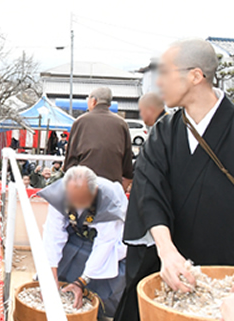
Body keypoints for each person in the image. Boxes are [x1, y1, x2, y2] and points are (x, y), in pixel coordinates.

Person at [115, 39, 234, 321]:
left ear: (195, 76)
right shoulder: (163, 132)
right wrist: (166, 251)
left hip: (224, 275)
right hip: (167, 267)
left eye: (166, 73)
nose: (159, 83)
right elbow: (148, 191)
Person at [39, 166, 127, 320]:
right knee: (58, 270)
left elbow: (106, 243)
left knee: (102, 277)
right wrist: (51, 274)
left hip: (111, 239)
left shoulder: (110, 199)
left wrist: (81, 281)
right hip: (77, 232)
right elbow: (53, 233)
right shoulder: (60, 193)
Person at [64, 87, 133, 190]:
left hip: (84, 186)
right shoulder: (122, 124)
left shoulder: (80, 122)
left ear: (93, 101)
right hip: (113, 186)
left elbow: (70, 161)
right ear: (109, 104)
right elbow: (127, 164)